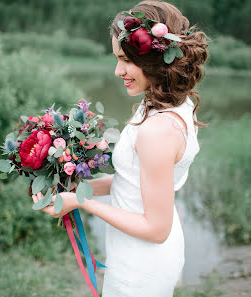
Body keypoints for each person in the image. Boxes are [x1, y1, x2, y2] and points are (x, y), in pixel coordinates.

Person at [33, 1, 208, 296]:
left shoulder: (158, 129)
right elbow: (135, 182)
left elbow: (156, 229)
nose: (117, 70)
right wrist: (77, 189)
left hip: (142, 264)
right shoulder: (168, 104)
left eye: (126, 60)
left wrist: (83, 203)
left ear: (155, 60)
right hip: (135, 251)